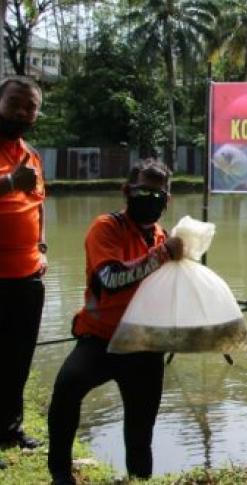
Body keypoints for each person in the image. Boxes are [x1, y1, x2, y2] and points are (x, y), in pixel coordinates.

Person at [47, 159, 183, 485]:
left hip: (144, 344)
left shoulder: (164, 237)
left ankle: (139, 479)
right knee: (66, 390)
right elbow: (111, 278)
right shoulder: (107, 227)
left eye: (158, 194)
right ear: (126, 191)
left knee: (140, 429)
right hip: (100, 340)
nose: (150, 199)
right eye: (143, 191)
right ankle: (61, 474)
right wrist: (163, 254)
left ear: (168, 201)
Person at [0, 76, 45, 467]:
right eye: (16, 102)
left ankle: (9, 431)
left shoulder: (31, 155)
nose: (22, 112)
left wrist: (42, 245)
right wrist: (10, 182)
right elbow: (16, 188)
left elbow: (38, 204)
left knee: (18, 360)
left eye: (30, 106)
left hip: (27, 275)